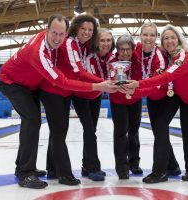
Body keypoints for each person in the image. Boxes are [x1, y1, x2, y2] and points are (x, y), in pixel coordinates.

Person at [0, 14, 118, 189]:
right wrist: (98, 86)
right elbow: (62, 81)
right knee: (33, 120)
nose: (58, 38)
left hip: (31, 85)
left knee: (43, 124)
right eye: (54, 33)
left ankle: (24, 166)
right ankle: (26, 173)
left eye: (62, 34)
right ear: (47, 30)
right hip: (12, 81)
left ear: (66, 33)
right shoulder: (37, 52)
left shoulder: (62, 43)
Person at [123, 24, 188, 187]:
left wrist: (137, 85)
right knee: (187, 133)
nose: (169, 41)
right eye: (166, 38)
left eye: (172, 37)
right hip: (186, 99)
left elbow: (165, 77)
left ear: (179, 39)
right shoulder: (166, 55)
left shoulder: (183, 57)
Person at [131, 22, 181, 184]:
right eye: (145, 34)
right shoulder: (136, 50)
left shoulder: (159, 55)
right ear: (140, 36)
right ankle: (173, 166)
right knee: (160, 133)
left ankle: (159, 172)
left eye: (152, 35)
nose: (148, 38)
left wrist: (135, 91)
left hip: (169, 96)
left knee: (160, 129)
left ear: (156, 37)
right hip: (152, 98)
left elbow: (157, 83)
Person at [71, 21, 116, 181]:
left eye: (108, 40)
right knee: (90, 131)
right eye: (102, 40)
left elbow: (114, 75)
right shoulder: (89, 58)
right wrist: (105, 83)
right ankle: (93, 167)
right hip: (81, 96)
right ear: (96, 42)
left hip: (95, 97)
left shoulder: (111, 58)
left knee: (91, 131)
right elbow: (90, 79)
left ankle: (86, 166)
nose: (105, 44)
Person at [109, 34, 144, 179]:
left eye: (128, 49)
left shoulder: (138, 59)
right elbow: (110, 78)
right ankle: (122, 167)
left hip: (135, 99)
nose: (125, 53)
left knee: (134, 131)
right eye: (122, 49)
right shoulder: (112, 61)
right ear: (117, 49)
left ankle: (134, 163)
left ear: (133, 49)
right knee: (120, 133)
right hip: (118, 101)